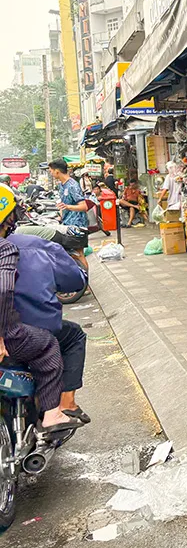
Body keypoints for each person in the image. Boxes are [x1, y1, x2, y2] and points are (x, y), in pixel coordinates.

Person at [0, 184, 83, 436]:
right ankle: (61, 407)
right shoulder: (20, 247)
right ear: (11, 216)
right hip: (22, 333)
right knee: (62, 340)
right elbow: (74, 281)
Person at [48, 158, 90, 238]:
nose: (51, 174)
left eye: (51, 171)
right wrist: (60, 216)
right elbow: (63, 203)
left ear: (57, 171)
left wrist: (67, 207)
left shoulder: (72, 185)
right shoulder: (61, 185)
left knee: (77, 250)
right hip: (67, 224)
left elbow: (84, 207)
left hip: (78, 225)